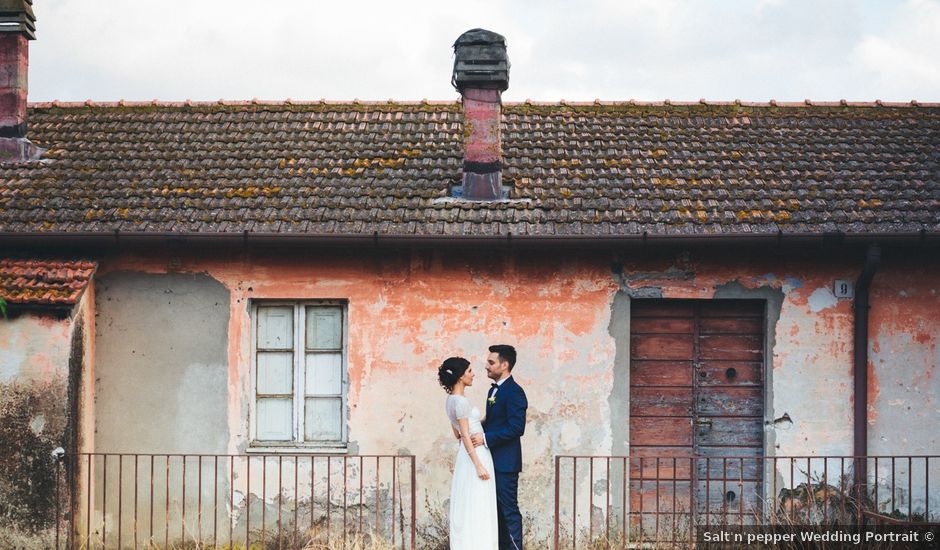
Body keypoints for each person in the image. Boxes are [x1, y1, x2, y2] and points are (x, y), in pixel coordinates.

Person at [470, 344, 527, 550]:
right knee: (494, 511)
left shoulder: (515, 392)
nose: (486, 366)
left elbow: (516, 428)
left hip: (505, 463)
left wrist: (484, 438)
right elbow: (494, 420)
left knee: (508, 510)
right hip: (490, 459)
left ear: (505, 365)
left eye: (491, 362)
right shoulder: (493, 390)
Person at [438, 356, 499, 549]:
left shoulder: (451, 400)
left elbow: (455, 432)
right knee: (478, 502)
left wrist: (477, 425)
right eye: (470, 371)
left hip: (465, 456)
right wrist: (479, 465)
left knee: (469, 501)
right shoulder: (462, 402)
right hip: (475, 454)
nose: (473, 374)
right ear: (460, 375)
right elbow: (463, 435)